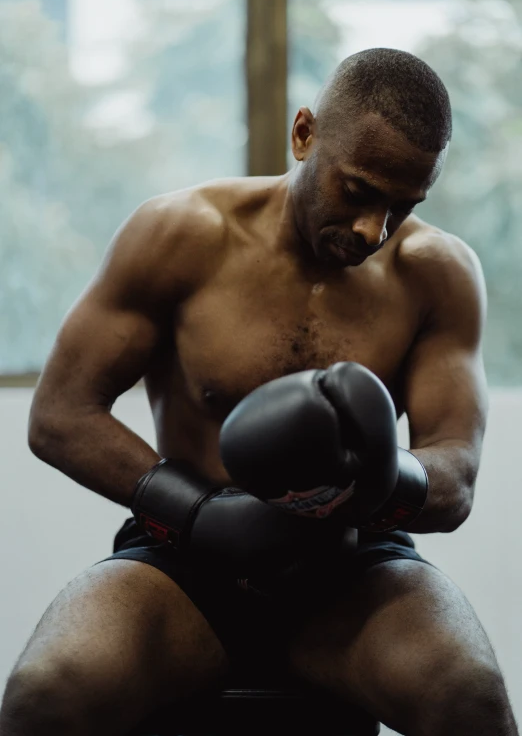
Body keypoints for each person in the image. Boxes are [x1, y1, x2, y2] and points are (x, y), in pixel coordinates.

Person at [0, 48, 517, 736]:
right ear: (304, 133)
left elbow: (456, 472)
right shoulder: (180, 236)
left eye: (403, 205)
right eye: (359, 191)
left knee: (470, 698)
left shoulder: (437, 273)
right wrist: (198, 511)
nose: (374, 230)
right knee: (46, 695)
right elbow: (60, 413)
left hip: (349, 570)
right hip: (185, 562)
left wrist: (386, 474)